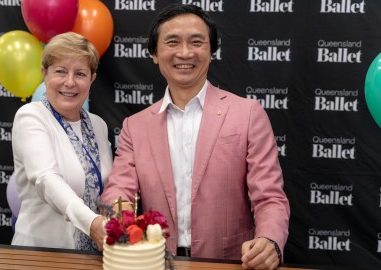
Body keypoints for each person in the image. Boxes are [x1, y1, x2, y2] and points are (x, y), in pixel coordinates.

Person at [101, 4, 290, 270]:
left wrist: (269, 240)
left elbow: (269, 196)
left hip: (232, 263)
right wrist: (120, 222)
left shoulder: (248, 114)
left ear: (211, 52)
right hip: (158, 263)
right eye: (172, 42)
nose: (185, 53)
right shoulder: (135, 126)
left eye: (197, 42)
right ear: (155, 54)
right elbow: (119, 190)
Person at [11, 32, 113, 252]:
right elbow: (46, 179)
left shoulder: (98, 125)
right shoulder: (31, 116)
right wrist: (92, 223)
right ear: (44, 74)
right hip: (41, 255)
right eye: (60, 71)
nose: (69, 82)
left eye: (80, 73)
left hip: (93, 257)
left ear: (92, 79)